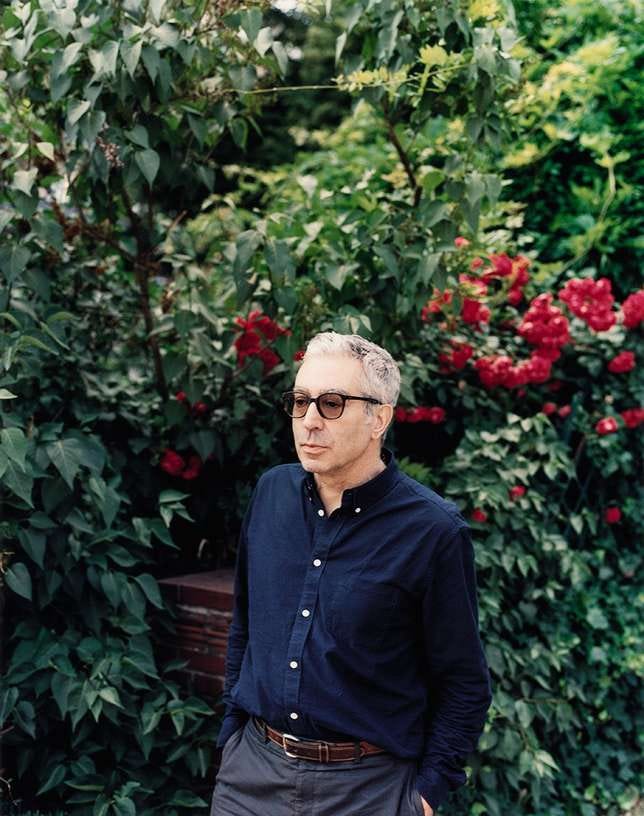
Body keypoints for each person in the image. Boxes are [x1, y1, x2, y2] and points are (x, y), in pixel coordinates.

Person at [210, 332, 492, 816]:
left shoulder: (432, 531)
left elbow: (464, 682)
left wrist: (424, 797)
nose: (309, 421)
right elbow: (246, 625)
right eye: (300, 401)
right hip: (251, 776)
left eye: (332, 403)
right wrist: (232, 734)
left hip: (368, 790)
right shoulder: (271, 493)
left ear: (379, 418)